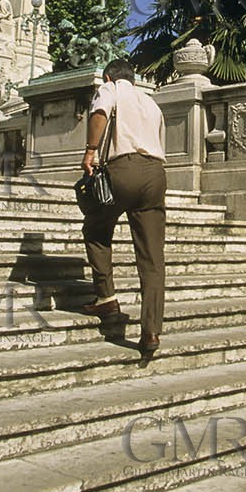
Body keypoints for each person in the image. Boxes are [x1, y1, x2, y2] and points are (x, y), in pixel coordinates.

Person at [80, 58, 168, 357]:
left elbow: (100, 112)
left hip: (123, 168)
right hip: (155, 173)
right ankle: (151, 329)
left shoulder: (110, 89)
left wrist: (91, 150)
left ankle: (106, 296)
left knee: (95, 227)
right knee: (152, 256)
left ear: (109, 76)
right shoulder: (151, 102)